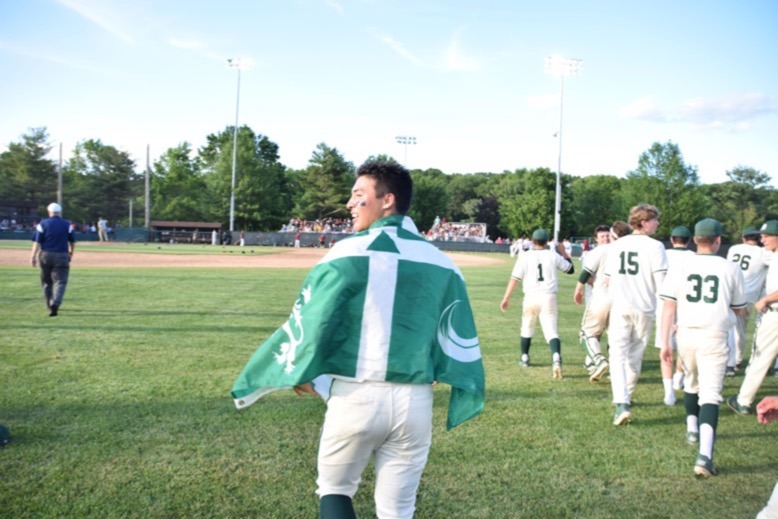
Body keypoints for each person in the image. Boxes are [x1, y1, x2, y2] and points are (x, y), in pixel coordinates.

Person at [231, 158, 485, 519]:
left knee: (334, 490)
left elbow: (310, 321)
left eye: (358, 195)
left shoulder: (344, 252)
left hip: (355, 395)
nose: (349, 204)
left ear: (387, 200)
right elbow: (456, 334)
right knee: (397, 510)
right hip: (414, 402)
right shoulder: (443, 262)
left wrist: (298, 370)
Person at [658, 218, 746, 478]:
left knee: (692, 383)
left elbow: (668, 307)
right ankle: (705, 456)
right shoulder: (729, 267)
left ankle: (692, 427)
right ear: (718, 240)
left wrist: (664, 342)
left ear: (695, 240)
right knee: (710, 394)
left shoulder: (681, 265)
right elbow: (739, 308)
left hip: (685, 332)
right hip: (714, 334)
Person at [603, 204, 668, 425]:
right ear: (643, 222)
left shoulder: (617, 245)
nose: (657, 223)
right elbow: (662, 284)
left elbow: (608, 279)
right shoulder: (656, 247)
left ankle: (622, 401)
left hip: (620, 306)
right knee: (634, 356)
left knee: (618, 355)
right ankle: (624, 399)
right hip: (644, 307)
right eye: (654, 220)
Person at [500, 228, 574, 379]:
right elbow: (570, 269)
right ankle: (556, 358)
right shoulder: (553, 255)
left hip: (531, 296)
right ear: (547, 242)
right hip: (549, 297)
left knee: (527, 327)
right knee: (551, 330)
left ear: (532, 241)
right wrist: (563, 252)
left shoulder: (525, 256)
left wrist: (506, 297)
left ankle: (525, 357)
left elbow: (515, 278)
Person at [727, 220, 778, 417]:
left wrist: (765, 299)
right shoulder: (771, 256)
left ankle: (743, 401)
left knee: (760, 357)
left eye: (767, 235)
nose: (762, 239)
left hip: (774, 314)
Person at [573, 222, 631, 382]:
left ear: (612, 235)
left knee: (587, 333)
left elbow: (586, 272)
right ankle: (616, 369)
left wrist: (578, 289)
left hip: (602, 297)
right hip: (622, 298)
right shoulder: (626, 250)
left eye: (608, 235)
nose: (606, 238)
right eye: (603, 236)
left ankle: (598, 360)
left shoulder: (601, 250)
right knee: (615, 336)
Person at [654, 225, 695, 406]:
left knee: (665, 346)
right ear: (689, 240)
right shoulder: (694, 257)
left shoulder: (664, 254)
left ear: (671, 239)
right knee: (684, 347)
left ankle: (668, 393)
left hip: (664, 304)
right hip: (687, 305)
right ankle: (679, 375)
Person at [725, 226, 772, 375]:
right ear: (758, 238)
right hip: (749, 297)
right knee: (740, 330)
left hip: (730, 293)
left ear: (743, 238)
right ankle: (736, 360)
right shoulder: (762, 252)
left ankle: (733, 361)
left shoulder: (733, 249)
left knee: (730, 329)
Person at [30, 203, 75, 317]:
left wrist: (33, 256)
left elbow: (37, 242)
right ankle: (55, 303)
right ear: (59, 212)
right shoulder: (67, 224)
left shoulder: (43, 224)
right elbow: (72, 241)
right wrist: (71, 252)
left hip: (45, 255)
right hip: (61, 255)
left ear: (48, 211)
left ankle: (48, 304)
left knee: (46, 281)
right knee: (60, 281)